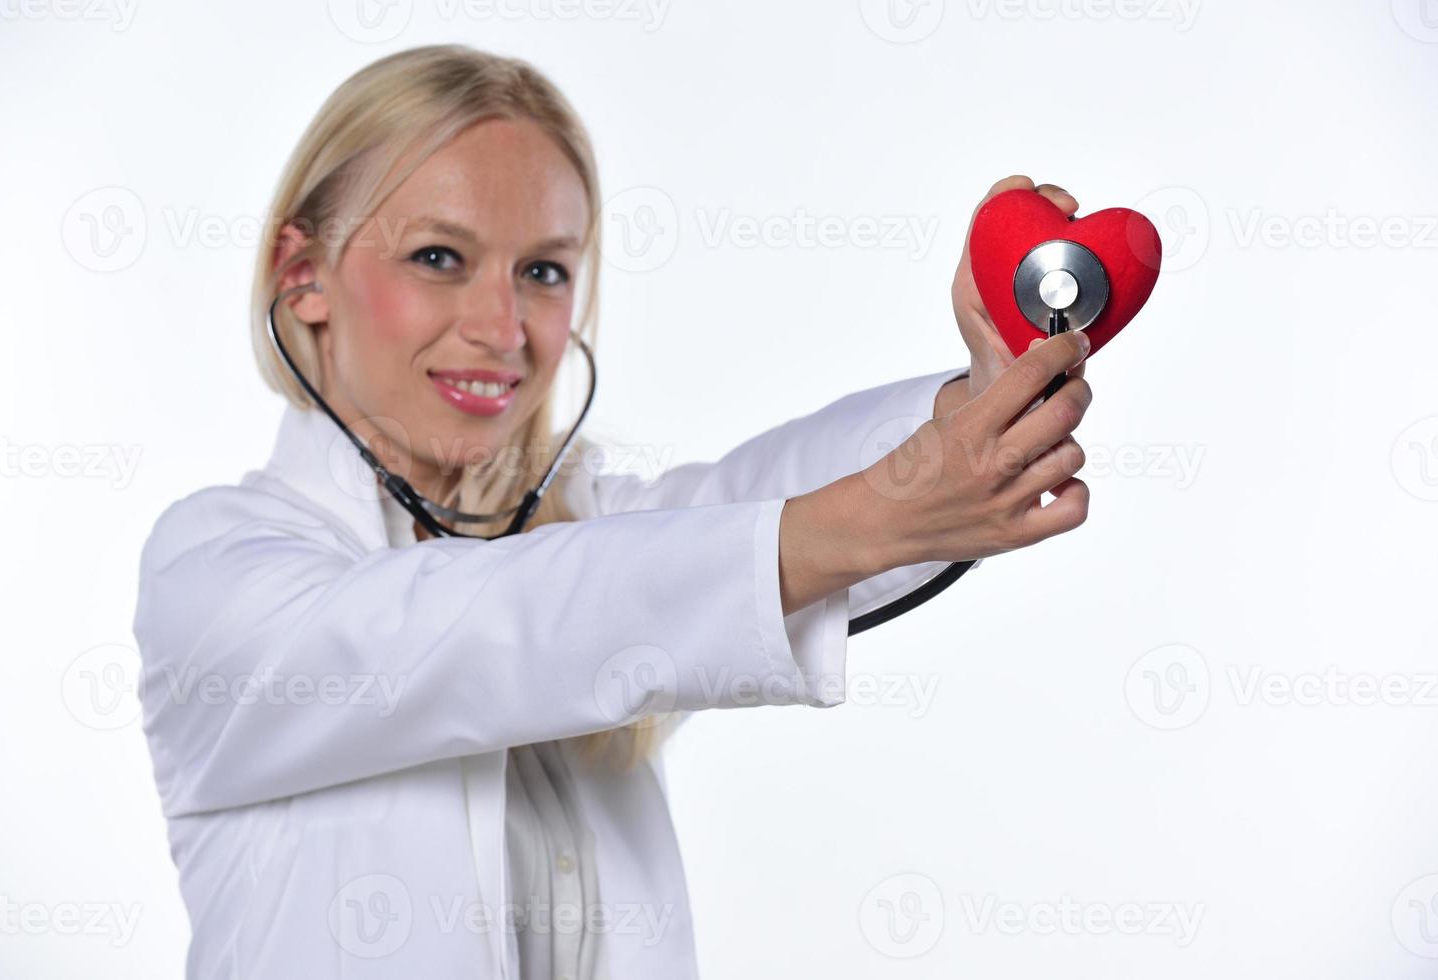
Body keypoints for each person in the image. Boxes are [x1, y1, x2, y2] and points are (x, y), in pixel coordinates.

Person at [131, 43, 1093, 980]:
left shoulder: (573, 526)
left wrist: (985, 391)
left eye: (544, 271)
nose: (502, 331)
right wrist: (858, 523)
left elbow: (728, 509)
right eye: (438, 256)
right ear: (301, 275)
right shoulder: (213, 571)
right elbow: (487, 627)